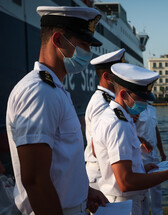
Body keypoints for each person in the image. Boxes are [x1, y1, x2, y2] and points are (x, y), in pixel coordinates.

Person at [6, 6, 108, 215]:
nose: (88, 53)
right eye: (83, 45)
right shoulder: (39, 92)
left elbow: (60, 162)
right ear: (59, 40)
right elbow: (35, 180)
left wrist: (84, 191)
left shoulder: (55, 90)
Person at [92, 63, 168, 214]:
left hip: (124, 201)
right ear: (123, 95)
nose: (145, 104)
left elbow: (111, 162)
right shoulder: (118, 124)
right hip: (124, 205)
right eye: (141, 98)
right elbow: (126, 182)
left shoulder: (118, 118)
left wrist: (141, 169)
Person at [84, 49, 126, 190]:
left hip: (105, 171)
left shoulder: (108, 100)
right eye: (119, 74)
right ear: (107, 76)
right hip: (101, 174)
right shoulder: (102, 103)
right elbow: (98, 147)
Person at [135, 103, 166, 215]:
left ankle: (158, 213)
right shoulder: (135, 108)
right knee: (143, 190)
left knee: (156, 187)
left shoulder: (152, 108)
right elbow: (129, 128)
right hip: (140, 155)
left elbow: (156, 130)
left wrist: (161, 151)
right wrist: (142, 140)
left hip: (153, 154)